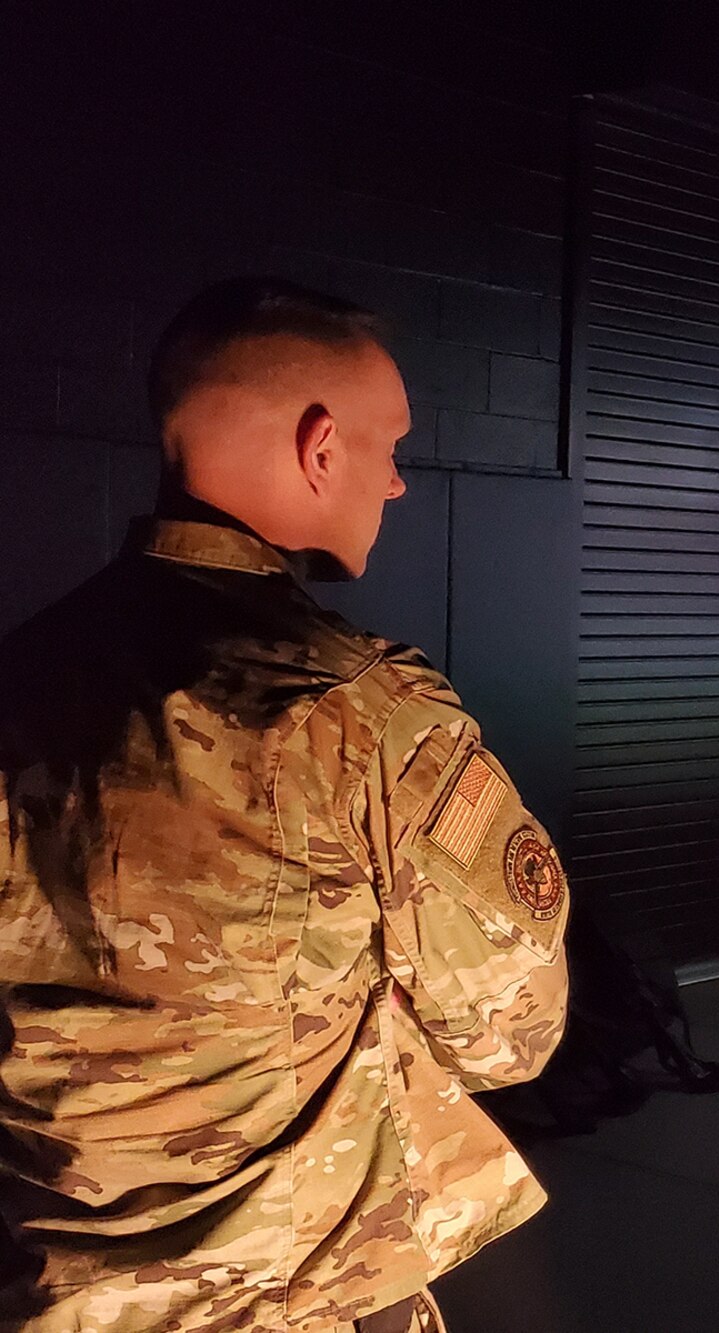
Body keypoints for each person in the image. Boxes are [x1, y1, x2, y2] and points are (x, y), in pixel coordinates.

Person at [0, 278, 570, 1332]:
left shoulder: (20, 676)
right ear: (320, 447)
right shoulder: (358, 712)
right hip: (282, 1298)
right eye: (389, 445)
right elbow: (508, 1033)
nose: (396, 483)